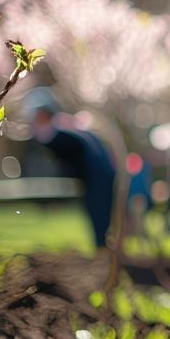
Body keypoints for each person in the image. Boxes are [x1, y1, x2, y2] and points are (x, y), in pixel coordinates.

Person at [25, 88, 116, 249]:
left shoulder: (57, 133)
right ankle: (105, 253)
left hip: (96, 177)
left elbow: (69, 155)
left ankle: (104, 256)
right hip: (99, 174)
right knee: (102, 219)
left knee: (99, 218)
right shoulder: (65, 126)